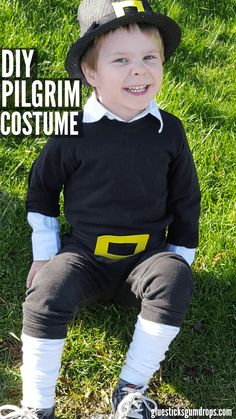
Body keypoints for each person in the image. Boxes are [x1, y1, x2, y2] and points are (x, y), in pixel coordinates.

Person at [0, 0, 201, 418]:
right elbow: (41, 190)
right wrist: (44, 253)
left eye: (150, 57)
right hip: (84, 257)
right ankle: (37, 406)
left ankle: (130, 390)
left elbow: (186, 200)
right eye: (121, 60)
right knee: (46, 293)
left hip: (145, 260)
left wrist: (180, 258)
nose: (139, 70)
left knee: (173, 277)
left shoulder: (170, 132)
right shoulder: (72, 132)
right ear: (91, 73)